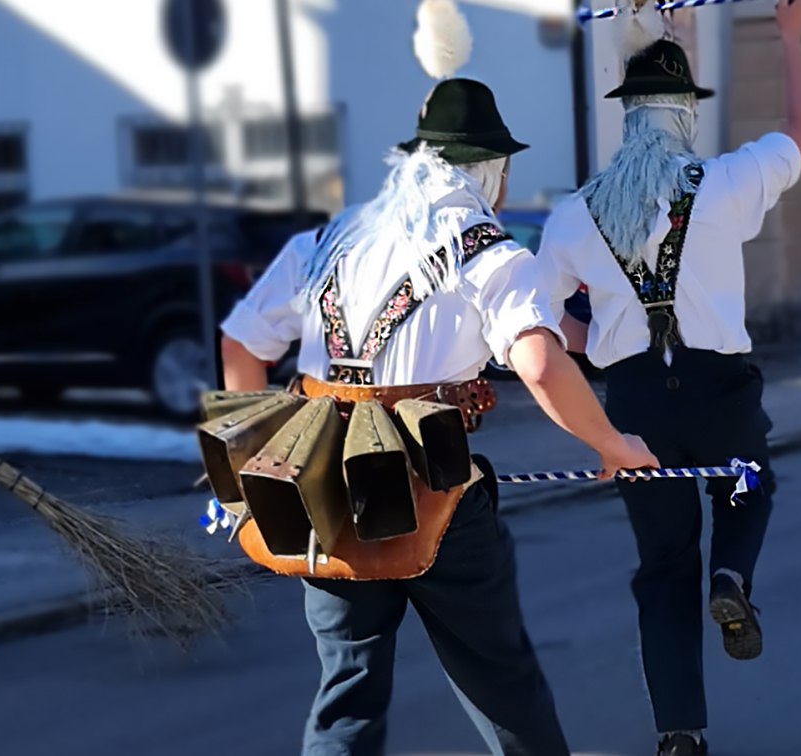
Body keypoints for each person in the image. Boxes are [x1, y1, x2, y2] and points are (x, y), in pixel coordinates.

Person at [214, 2, 657, 753]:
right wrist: (613, 444)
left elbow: (240, 342)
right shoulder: (488, 249)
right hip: (433, 493)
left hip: (322, 490)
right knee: (499, 680)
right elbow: (541, 360)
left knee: (346, 696)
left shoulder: (325, 240)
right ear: (491, 167)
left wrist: (259, 453)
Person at [531, 1, 801, 753]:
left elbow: (540, 319)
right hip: (720, 394)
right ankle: (731, 576)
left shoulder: (576, 214)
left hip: (633, 407)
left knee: (662, 569)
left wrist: (594, 344)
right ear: (686, 114)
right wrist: (789, 39)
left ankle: (679, 733)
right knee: (749, 481)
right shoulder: (722, 182)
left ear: (626, 116)